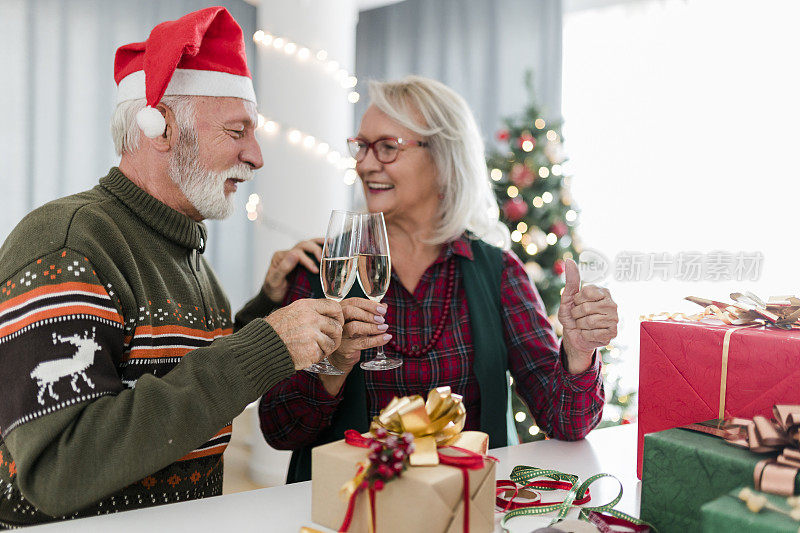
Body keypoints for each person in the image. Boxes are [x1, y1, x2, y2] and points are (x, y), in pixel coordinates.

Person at [0, 7, 343, 527]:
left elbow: (172, 371)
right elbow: (57, 468)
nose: (257, 155)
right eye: (237, 131)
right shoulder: (70, 244)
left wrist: (268, 310)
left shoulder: (183, 250)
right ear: (159, 127)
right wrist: (266, 345)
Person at [239, 75, 618, 483]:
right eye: (361, 146)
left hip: (464, 508)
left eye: (387, 147)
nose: (365, 164)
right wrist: (335, 366)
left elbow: (566, 421)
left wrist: (578, 351)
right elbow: (279, 429)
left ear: (443, 159)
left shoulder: (498, 272)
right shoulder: (322, 270)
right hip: (349, 511)